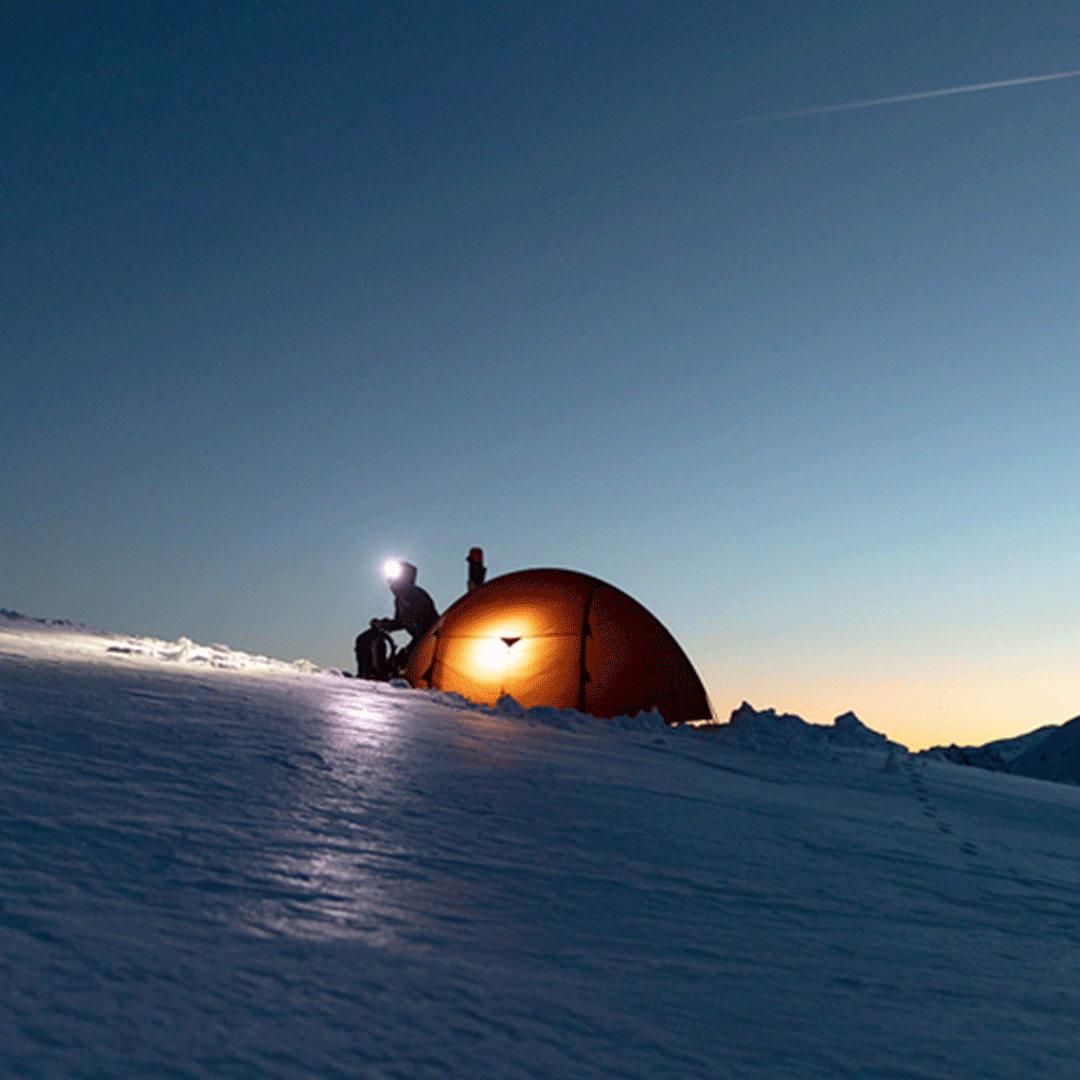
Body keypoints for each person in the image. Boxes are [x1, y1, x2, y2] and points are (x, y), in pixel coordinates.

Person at [358, 560, 439, 677]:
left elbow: (408, 620)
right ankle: (368, 674)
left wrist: (385, 625)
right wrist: (383, 624)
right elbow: (400, 622)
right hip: (419, 641)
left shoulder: (416, 595)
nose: (390, 583)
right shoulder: (399, 600)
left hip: (429, 641)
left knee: (402, 667)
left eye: (393, 579)